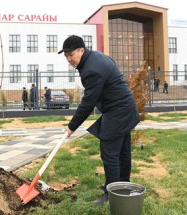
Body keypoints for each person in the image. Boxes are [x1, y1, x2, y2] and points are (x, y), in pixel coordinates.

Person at [59, 35, 140, 205]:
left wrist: (71, 127)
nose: (68, 59)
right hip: (123, 107)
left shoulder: (92, 69)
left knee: (110, 153)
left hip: (118, 111)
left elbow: (88, 102)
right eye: (66, 56)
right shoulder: (96, 57)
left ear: (82, 50)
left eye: (71, 55)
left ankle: (112, 195)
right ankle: (122, 188)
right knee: (123, 151)